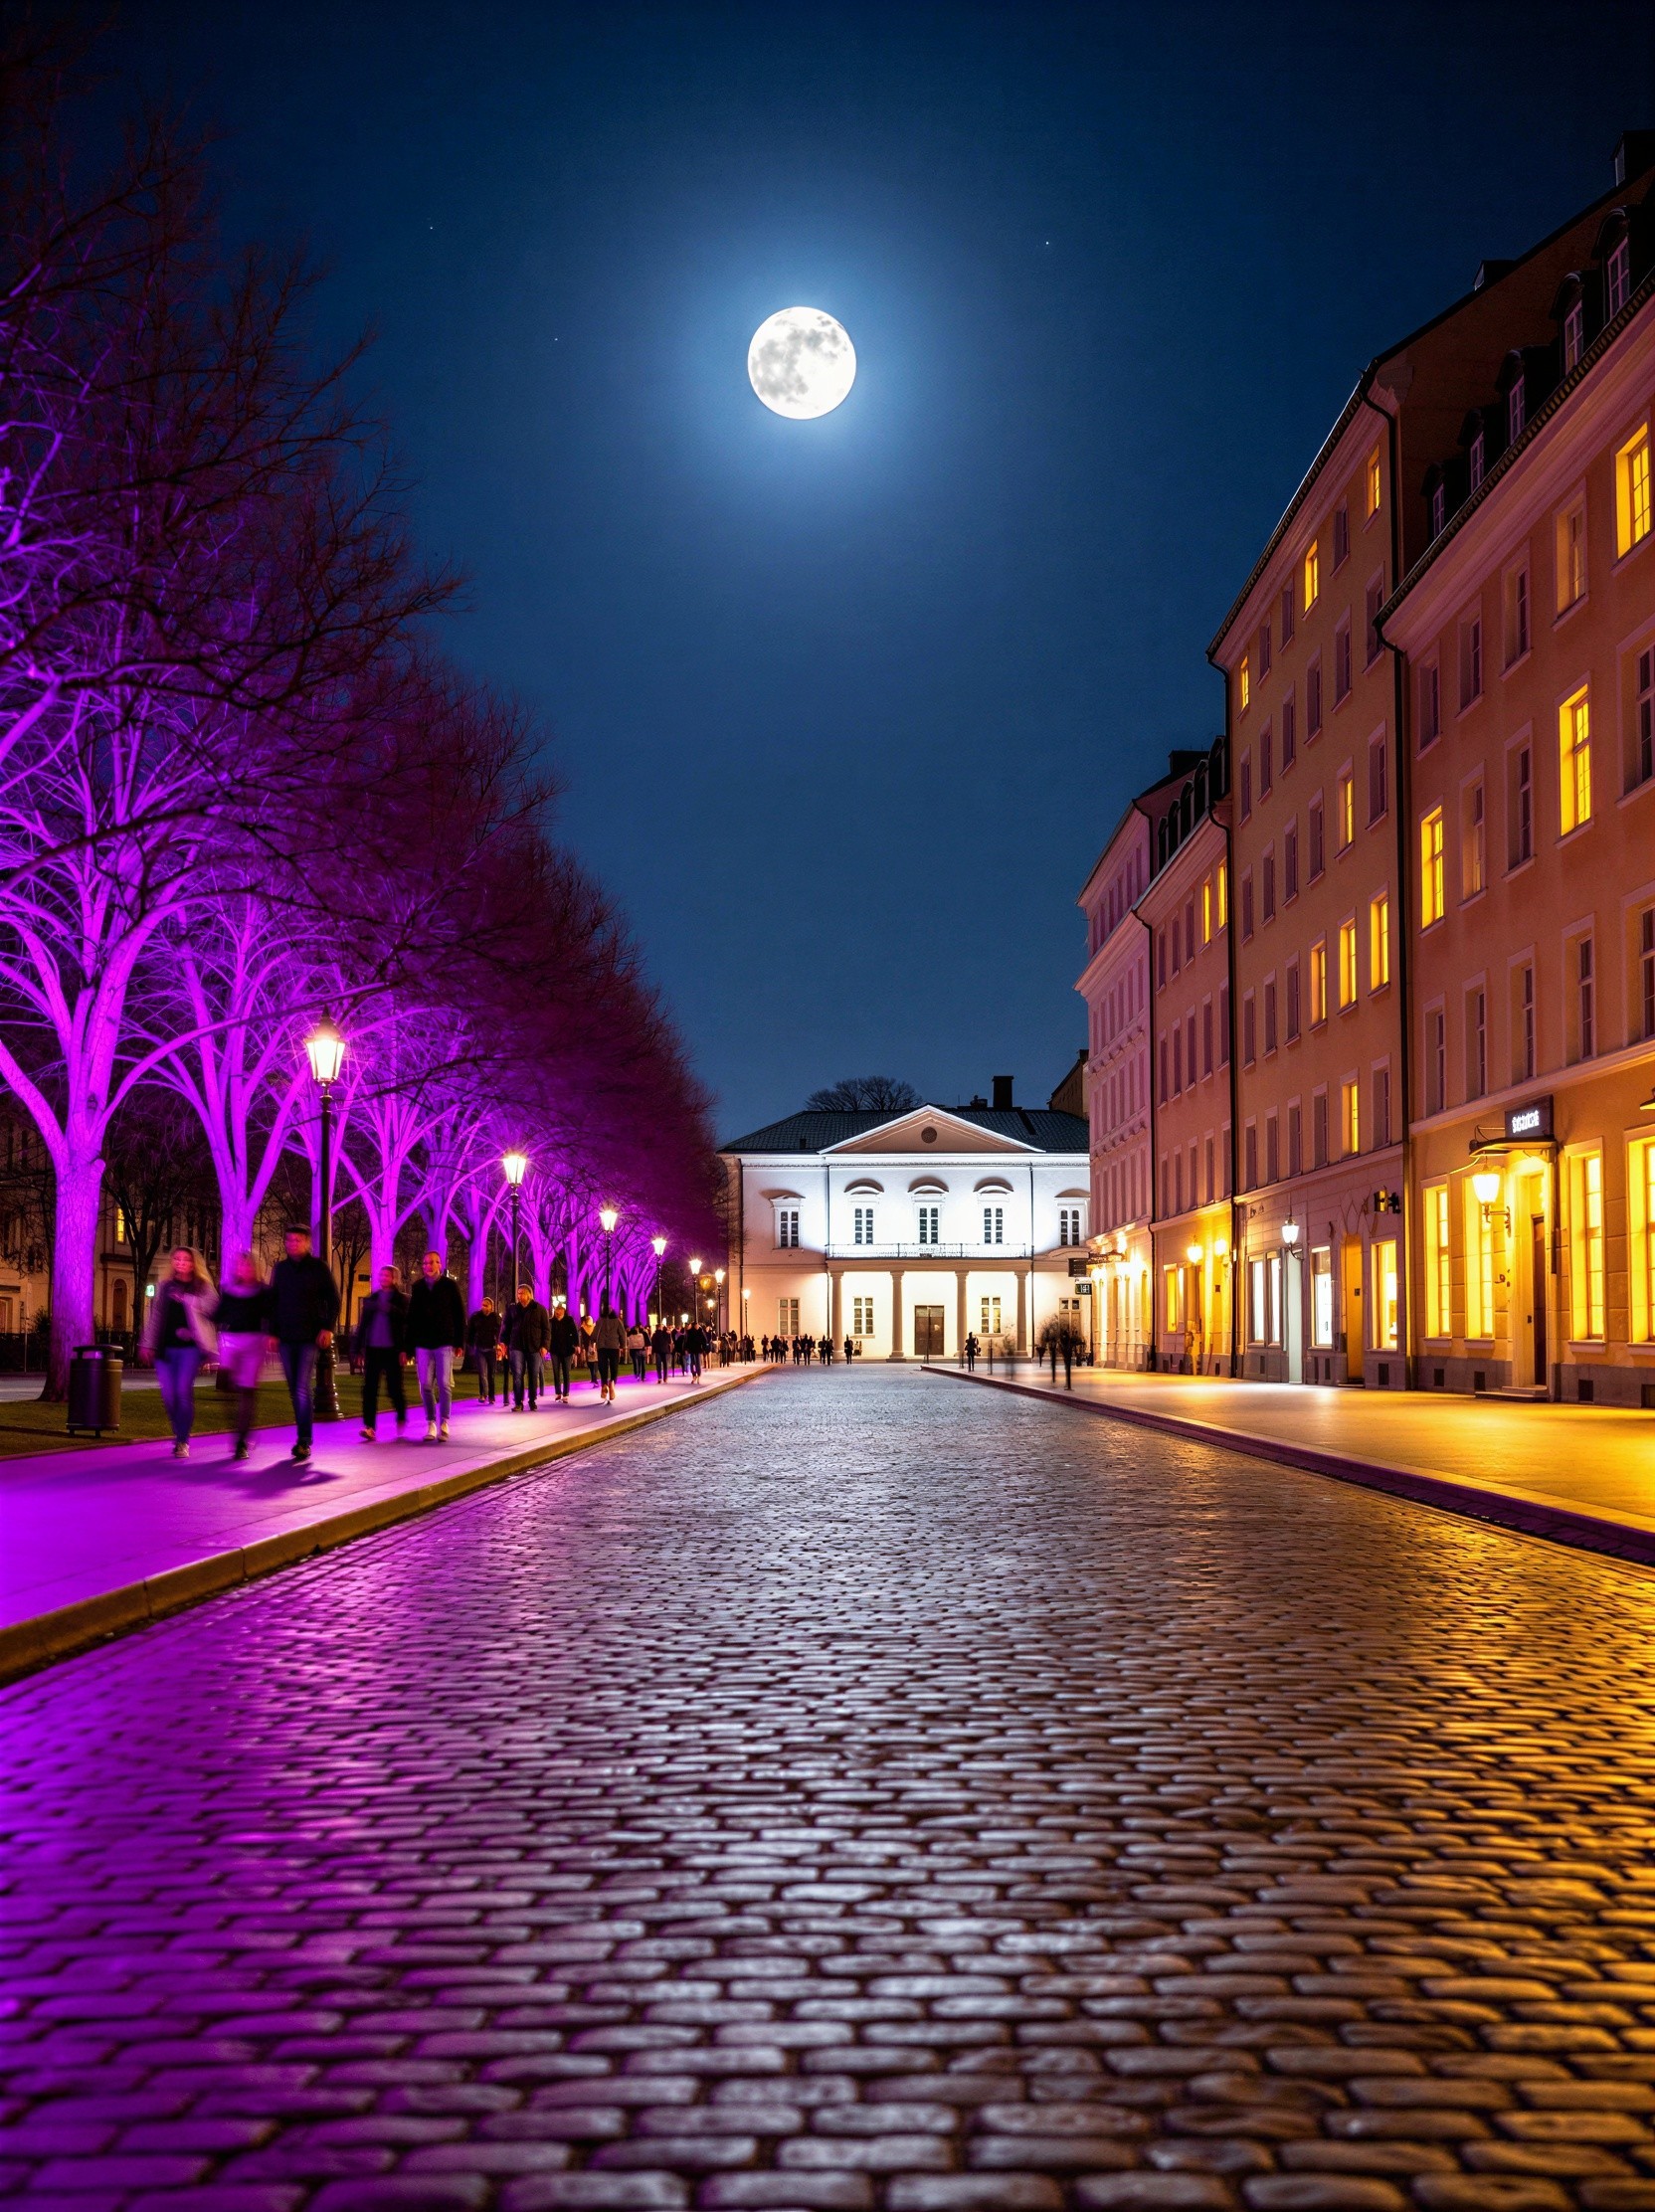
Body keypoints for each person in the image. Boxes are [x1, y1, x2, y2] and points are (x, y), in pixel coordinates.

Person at [269, 1224, 340, 1464]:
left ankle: (304, 1440)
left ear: (307, 1243)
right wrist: (272, 1332)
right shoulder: (280, 1270)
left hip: (309, 1336)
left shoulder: (318, 1268)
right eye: (289, 1240)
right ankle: (303, 1436)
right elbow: (274, 1302)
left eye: (298, 1240)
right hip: (286, 1337)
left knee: (301, 1388)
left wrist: (328, 1327)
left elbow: (333, 1299)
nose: (292, 1244)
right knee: (294, 1391)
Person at [147, 1247, 216, 1458]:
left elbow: (214, 1307)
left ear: (193, 1263)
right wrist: (147, 1343)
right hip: (165, 1348)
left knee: (182, 1392)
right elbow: (155, 1317)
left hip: (189, 1349)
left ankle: (182, 1440)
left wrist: (189, 1303)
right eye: (177, 1259)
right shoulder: (165, 1286)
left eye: (185, 1259)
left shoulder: (201, 1286)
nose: (180, 1262)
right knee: (169, 1395)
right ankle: (179, 1432)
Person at [212, 1251, 269, 1462]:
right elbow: (217, 1315)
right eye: (240, 1265)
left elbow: (270, 1315)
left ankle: (241, 1441)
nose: (244, 1269)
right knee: (226, 1388)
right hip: (230, 1342)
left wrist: (271, 1334)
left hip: (254, 1343)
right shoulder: (228, 1291)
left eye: (248, 1266)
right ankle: (240, 1430)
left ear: (255, 1268)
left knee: (247, 1391)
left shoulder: (263, 1292)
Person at [407, 1250, 464, 1442]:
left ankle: (444, 1421)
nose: (429, 1266)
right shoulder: (418, 1288)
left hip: (444, 1341)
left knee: (444, 1384)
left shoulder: (450, 1286)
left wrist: (459, 1342)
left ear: (440, 1265)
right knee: (425, 1385)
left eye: (433, 1262)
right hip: (423, 1343)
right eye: (426, 1263)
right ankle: (430, 1422)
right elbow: (412, 1319)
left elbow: (459, 1315)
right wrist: (408, 1347)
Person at [355, 1264, 410, 1440]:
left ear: (394, 1278)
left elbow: (405, 1322)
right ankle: (369, 1426)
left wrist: (404, 1350)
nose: (384, 1278)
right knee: (369, 1389)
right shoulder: (373, 1298)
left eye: (387, 1275)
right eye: (382, 1275)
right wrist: (357, 1349)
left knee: (394, 1388)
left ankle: (401, 1415)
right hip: (373, 1349)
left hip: (392, 1350)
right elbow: (363, 1326)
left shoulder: (401, 1299)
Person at [507, 1283, 551, 1409]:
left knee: (533, 1374)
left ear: (529, 1295)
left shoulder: (540, 1310)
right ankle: (518, 1402)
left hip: (534, 1347)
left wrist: (545, 1345)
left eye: (522, 1293)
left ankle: (532, 1400)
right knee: (517, 1374)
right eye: (518, 1293)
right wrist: (503, 1343)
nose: (519, 1296)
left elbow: (546, 1330)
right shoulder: (513, 1310)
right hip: (517, 1346)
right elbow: (506, 1328)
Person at [465, 1297, 502, 1405]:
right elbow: (471, 1332)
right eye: (483, 1305)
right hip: (480, 1348)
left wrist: (499, 1344)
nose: (484, 1307)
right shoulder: (476, 1317)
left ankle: (491, 1396)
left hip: (491, 1348)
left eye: (486, 1305)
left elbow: (500, 1332)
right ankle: (483, 1394)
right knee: (482, 1373)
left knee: (491, 1374)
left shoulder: (495, 1317)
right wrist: (470, 1344)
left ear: (491, 1307)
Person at [593, 1303, 628, 1404]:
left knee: (602, 1366)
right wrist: (623, 1345)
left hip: (602, 1346)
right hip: (613, 1346)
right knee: (614, 1366)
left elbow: (595, 1333)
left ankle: (604, 1384)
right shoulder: (617, 1321)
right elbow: (622, 1334)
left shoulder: (600, 1320)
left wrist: (592, 1341)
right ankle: (612, 1383)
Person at [545, 1296, 577, 1403]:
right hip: (555, 1349)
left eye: (560, 1310)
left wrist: (576, 1345)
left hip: (567, 1349)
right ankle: (558, 1392)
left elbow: (575, 1333)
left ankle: (566, 1393)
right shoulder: (551, 1321)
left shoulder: (569, 1320)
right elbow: (548, 1334)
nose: (558, 1312)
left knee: (566, 1371)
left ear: (563, 1310)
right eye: (556, 1310)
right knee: (556, 1371)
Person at [650, 1318, 670, 1382]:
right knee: (665, 1364)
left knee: (658, 1365)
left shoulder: (655, 1334)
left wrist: (653, 1351)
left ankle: (659, 1378)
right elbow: (669, 1341)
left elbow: (653, 1343)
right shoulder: (665, 1334)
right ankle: (665, 1378)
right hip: (664, 1350)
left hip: (658, 1350)